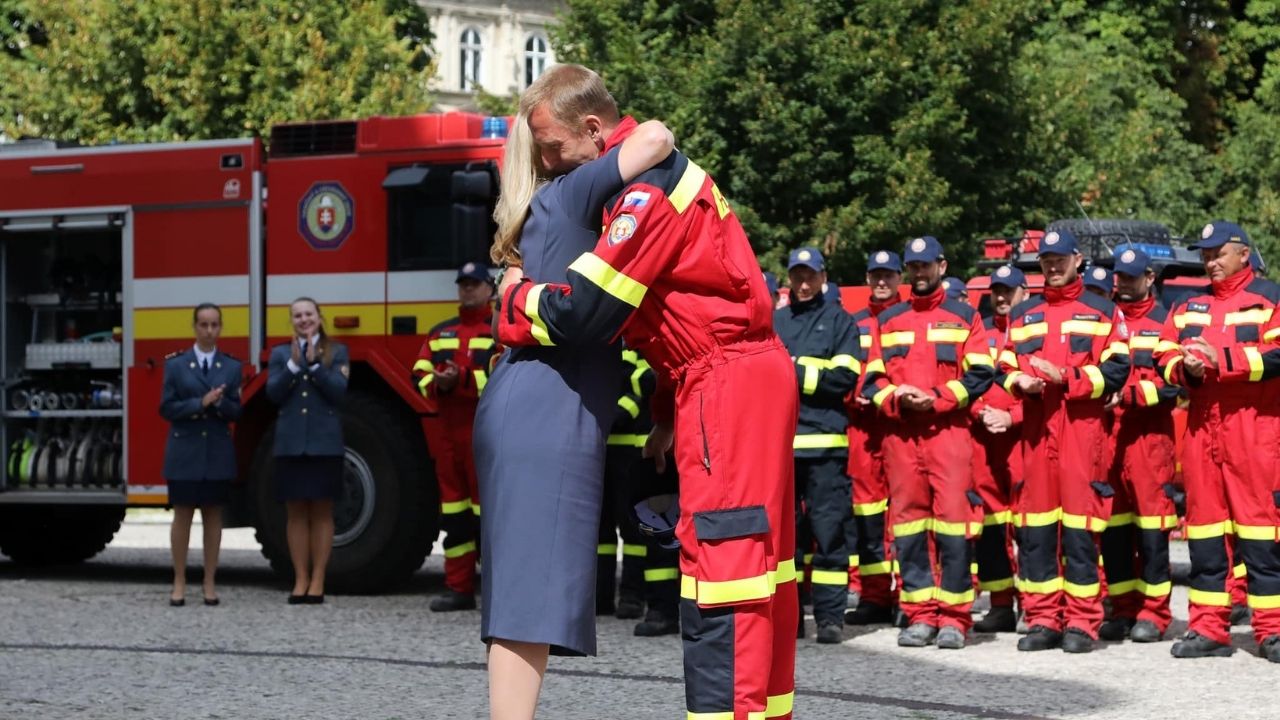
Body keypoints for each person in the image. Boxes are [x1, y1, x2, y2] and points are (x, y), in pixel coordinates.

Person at [496, 81, 798, 720]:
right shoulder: (656, 177)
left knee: (726, 569)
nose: (547, 163)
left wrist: (514, 299)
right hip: (728, 380)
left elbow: (587, 315)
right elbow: (689, 304)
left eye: (552, 147)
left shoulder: (644, 196)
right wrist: (664, 412)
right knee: (761, 568)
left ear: (596, 134)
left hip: (724, 387)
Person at [472, 64, 677, 720]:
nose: (555, 157)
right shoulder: (578, 186)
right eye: (551, 148)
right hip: (546, 409)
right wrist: (603, 145)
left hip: (532, 404)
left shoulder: (549, 200)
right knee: (526, 602)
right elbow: (655, 137)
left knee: (525, 598)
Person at [994, 229, 1131, 653]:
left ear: (1076, 260)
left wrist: (1065, 378)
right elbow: (1002, 363)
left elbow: (1118, 370)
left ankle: (1081, 623)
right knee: (1036, 530)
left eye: (1059, 259)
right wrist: (1019, 381)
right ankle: (1042, 620)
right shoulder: (1023, 314)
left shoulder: (1103, 311)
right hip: (1036, 433)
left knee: (1079, 530)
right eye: (1046, 260)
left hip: (1080, 431)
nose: (1052, 266)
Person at [1154, 221, 1280, 663]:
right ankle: (1209, 627)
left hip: (1254, 428)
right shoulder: (1188, 305)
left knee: (1262, 535)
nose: (1210, 261)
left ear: (1243, 254)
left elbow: (1278, 356)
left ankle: (1272, 630)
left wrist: (1220, 358)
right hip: (1202, 427)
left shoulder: (1270, 298)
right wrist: (1185, 369)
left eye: (1217, 253)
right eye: (1205, 254)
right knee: (1205, 535)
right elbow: (1163, 352)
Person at [860, 236, 994, 649]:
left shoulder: (964, 316)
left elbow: (980, 374)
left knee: (954, 526)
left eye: (925, 265)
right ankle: (919, 613)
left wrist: (935, 400)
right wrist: (897, 399)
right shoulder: (890, 320)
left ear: (941, 266)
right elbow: (872, 380)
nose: (919, 273)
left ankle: (955, 618)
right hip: (901, 435)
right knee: (909, 527)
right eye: (913, 266)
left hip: (947, 433)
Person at [775, 247, 861, 644]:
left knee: (829, 535)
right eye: (797, 277)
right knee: (784, 542)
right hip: (782, 449)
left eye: (810, 276)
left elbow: (843, 379)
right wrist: (810, 372)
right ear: (789, 279)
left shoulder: (841, 321)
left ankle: (829, 618)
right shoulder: (776, 321)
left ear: (823, 277)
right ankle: (789, 619)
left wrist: (793, 369)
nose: (804, 284)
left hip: (826, 447)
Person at [1098, 247, 1180, 643]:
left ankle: (1155, 612)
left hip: (1149, 440)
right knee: (1113, 530)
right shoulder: (1102, 318)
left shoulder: (1167, 322)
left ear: (1149, 277)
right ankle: (1123, 608)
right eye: (1120, 276)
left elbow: (1174, 383)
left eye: (1132, 276)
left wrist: (1129, 396)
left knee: (1152, 530)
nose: (1123, 283)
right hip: (1107, 438)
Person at [413, 261, 498, 612]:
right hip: (450, 439)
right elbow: (418, 373)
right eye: (463, 284)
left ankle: (496, 594)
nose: (467, 289)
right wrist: (436, 382)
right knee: (456, 517)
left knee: (490, 521)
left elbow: (500, 378)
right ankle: (459, 588)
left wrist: (460, 379)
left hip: (486, 436)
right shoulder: (440, 333)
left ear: (490, 288)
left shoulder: (499, 331)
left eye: (474, 284)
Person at [265, 297, 349, 604]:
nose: (303, 320)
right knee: (295, 514)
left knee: (323, 513)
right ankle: (300, 578)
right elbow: (272, 393)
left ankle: (318, 580)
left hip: (324, 445)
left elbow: (339, 393)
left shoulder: (337, 352)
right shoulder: (279, 354)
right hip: (291, 444)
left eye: (308, 314)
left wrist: (314, 364)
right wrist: (292, 364)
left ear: (319, 317)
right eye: (297, 315)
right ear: (292, 320)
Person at [159, 303, 242, 606]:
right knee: (182, 515)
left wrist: (219, 404)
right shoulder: (177, 365)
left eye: (214, 325)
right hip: (185, 450)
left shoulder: (231, 367)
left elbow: (237, 410)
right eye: (203, 324)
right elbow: (166, 408)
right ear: (194, 327)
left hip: (216, 451)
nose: (209, 330)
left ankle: (209, 581)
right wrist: (200, 403)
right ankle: (179, 580)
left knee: (213, 517)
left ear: (221, 327)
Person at [605, 346, 681, 636]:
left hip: (693, 439)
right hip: (667, 442)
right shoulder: (653, 339)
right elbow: (650, 382)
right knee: (661, 530)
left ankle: (682, 611)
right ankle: (662, 609)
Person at [845, 250, 903, 626]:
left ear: (900, 278)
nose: (881, 282)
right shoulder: (854, 325)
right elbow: (843, 371)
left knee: (906, 514)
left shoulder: (909, 320)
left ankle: (909, 596)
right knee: (867, 515)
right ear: (867, 278)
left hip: (901, 427)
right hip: (863, 429)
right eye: (875, 275)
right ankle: (875, 594)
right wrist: (854, 396)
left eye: (888, 275)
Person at [968, 266, 1027, 633]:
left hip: (1023, 438)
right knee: (990, 524)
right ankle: (1001, 604)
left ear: (1024, 292)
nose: (1002, 298)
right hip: (983, 437)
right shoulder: (981, 331)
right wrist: (981, 412)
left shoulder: (1031, 327)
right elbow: (964, 378)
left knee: (1030, 526)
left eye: (1009, 291)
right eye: (996, 292)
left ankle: (1034, 606)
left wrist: (1012, 417)